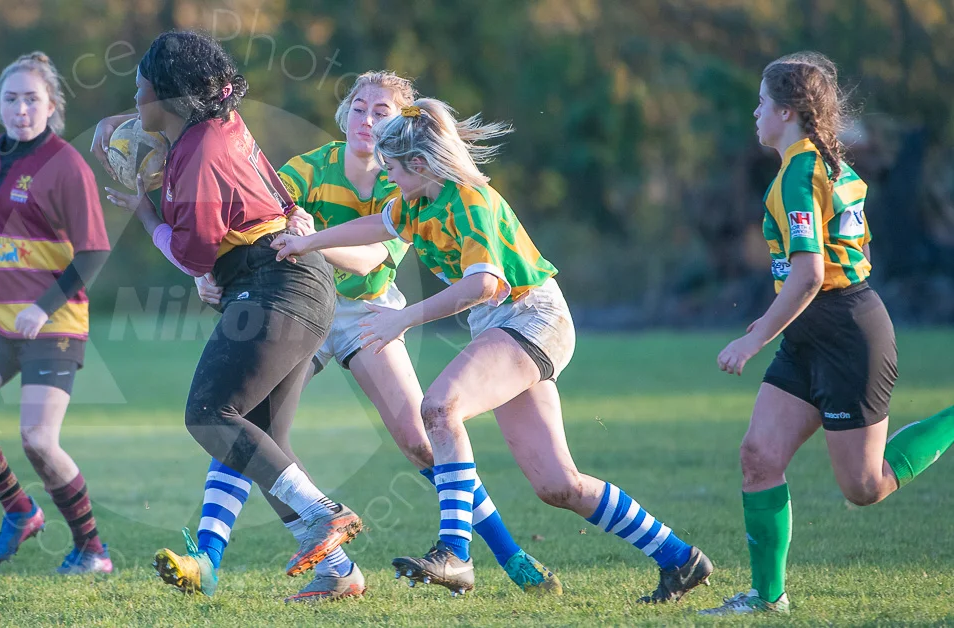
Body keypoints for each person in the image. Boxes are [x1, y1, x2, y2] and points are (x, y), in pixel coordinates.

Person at [273, 98, 713, 603]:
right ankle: (680, 558)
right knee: (557, 485)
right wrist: (307, 243)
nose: (386, 178)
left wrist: (403, 317)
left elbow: (483, 283)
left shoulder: (469, 199)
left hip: (533, 318)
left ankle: (455, 553)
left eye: (392, 168)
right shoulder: (416, 200)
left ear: (418, 165)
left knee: (440, 407)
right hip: (501, 326)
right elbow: (375, 228)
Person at [157, 71, 559, 602]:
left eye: (382, 111)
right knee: (243, 419)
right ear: (344, 113)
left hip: (369, 311)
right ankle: (206, 559)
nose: (367, 120)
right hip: (299, 298)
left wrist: (311, 241)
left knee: (419, 439)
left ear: (404, 129)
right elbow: (249, 219)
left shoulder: (408, 178)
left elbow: (374, 257)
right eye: (359, 107)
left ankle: (507, 554)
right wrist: (208, 275)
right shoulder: (309, 168)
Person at [101, 30, 364, 593]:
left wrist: (150, 217)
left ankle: (323, 513)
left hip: (275, 285)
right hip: (297, 283)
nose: (135, 99)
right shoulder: (219, 127)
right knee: (263, 442)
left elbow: (195, 253)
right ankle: (339, 571)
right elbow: (273, 197)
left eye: (139, 89)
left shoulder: (197, 154)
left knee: (209, 413)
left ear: (168, 96)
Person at [700, 51, 954, 616]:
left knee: (864, 487)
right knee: (758, 456)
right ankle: (768, 599)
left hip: (847, 336)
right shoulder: (823, 162)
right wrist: (783, 319)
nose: (756, 112)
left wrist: (755, 337)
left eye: (763, 102)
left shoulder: (799, 172)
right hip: (815, 331)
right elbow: (838, 257)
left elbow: (813, 271)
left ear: (787, 112)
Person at [0, 52, 113, 574]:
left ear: (51, 105)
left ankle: (92, 550)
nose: (21, 108)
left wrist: (43, 307)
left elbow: (95, 253)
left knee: (38, 440)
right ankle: (19, 510)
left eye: (32, 98)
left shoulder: (66, 165)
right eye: (11, 99)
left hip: (53, 323)